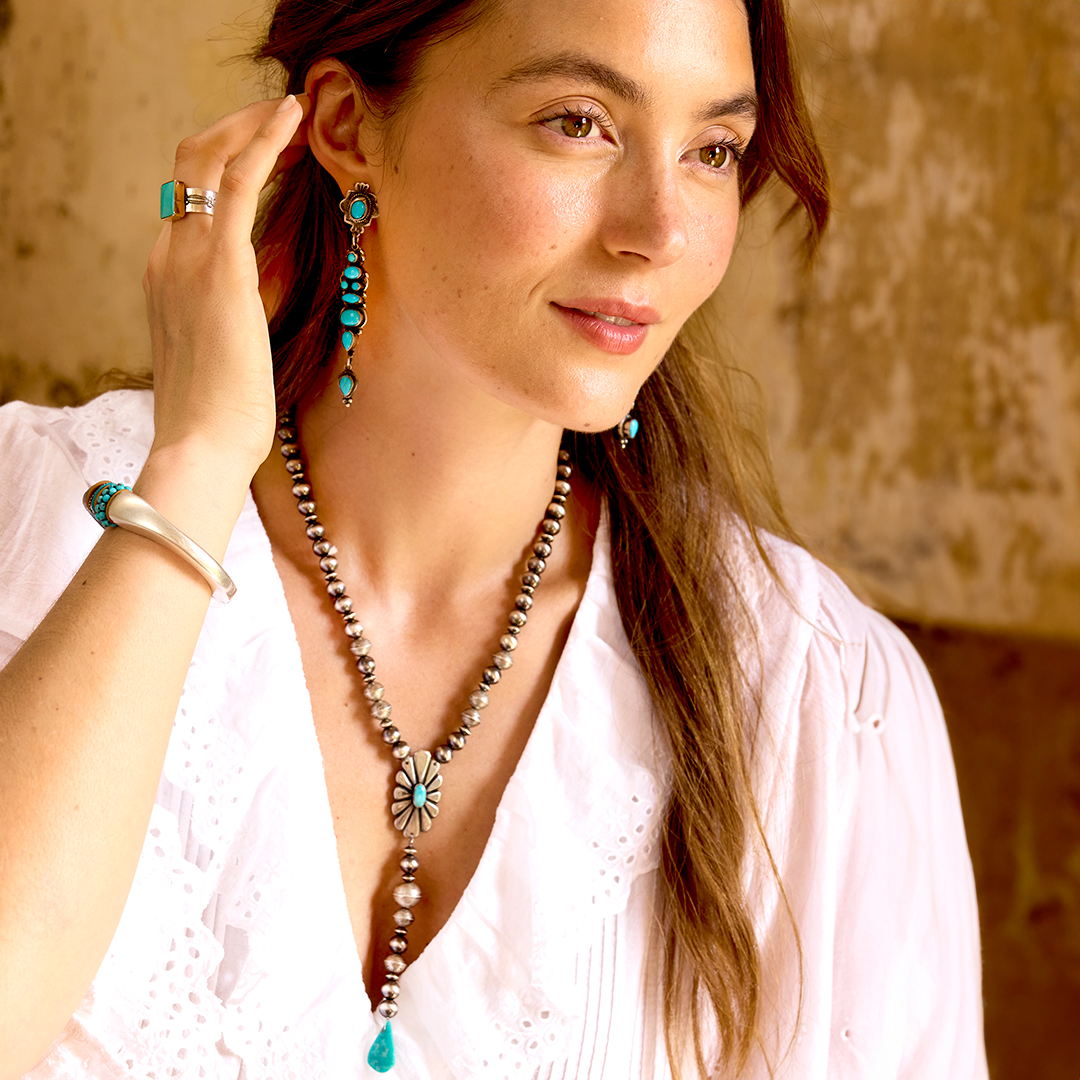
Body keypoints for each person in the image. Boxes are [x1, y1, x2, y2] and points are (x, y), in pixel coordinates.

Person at [0, 0, 987, 1076]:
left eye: (712, 150)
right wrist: (195, 467)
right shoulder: (23, 523)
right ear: (346, 126)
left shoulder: (816, 698)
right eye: (578, 122)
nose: (659, 231)